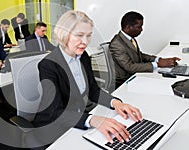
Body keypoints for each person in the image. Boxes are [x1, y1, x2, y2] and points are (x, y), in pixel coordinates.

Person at [33, 10, 143, 144]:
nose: (85, 42)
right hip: (53, 128)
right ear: (64, 35)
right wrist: (92, 120)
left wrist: (116, 103)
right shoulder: (48, 65)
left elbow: (93, 90)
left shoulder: (83, 56)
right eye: (79, 35)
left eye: (88, 36)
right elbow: (54, 112)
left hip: (78, 120)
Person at [109, 11, 180, 88]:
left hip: (136, 76)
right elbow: (129, 67)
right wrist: (158, 64)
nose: (142, 30)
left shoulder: (130, 38)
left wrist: (159, 60)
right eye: (139, 27)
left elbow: (140, 55)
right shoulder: (116, 44)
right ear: (128, 27)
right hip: (125, 82)